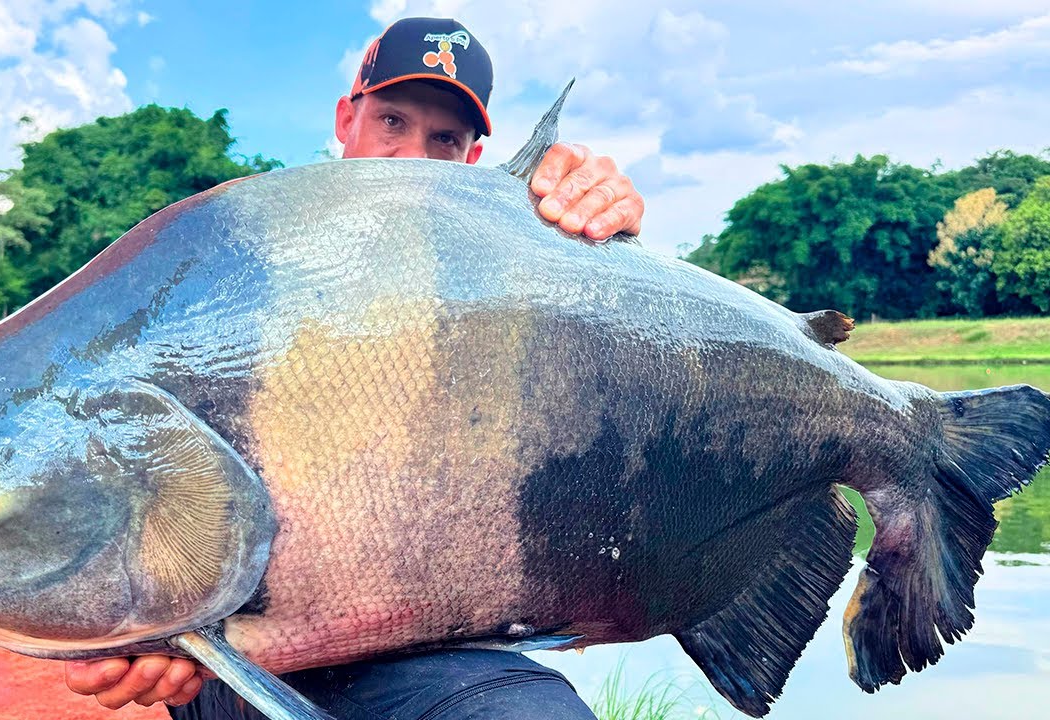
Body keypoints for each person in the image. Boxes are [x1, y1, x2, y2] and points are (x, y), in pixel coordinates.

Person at [65, 16, 644, 718]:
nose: (409, 156)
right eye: (392, 120)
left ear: (473, 156)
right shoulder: (254, 249)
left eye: (444, 140)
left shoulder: (508, 273)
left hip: (443, 647)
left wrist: (602, 236)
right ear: (348, 116)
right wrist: (142, 615)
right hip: (252, 644)